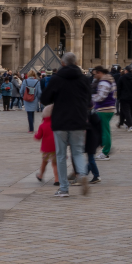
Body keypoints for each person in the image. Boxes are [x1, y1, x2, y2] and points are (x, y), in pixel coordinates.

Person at [39, 52, 91, 198]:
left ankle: (63, 188)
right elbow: (89, 101)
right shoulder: (84, 79)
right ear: (76, 62)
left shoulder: (57, 78)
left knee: (61, 155)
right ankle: (81, 174)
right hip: (79, 120)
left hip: (60, 120)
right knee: (78, 151)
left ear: (63, 63)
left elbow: (45, 98)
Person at [91, 67, 117, 157]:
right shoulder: (110, 80)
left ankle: (105, 151)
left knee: (104, 130)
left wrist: (91, 98)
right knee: (105, 129)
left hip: (104, 108)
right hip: (109, 108)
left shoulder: (104, 82)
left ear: (99, 72)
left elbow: (101, 96)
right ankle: (105, 147)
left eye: (95, 74)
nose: (94, 76)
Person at [34, 108, 59, 187]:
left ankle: (41, 175)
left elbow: (38, 137)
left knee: (44, 163)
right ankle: (57, 179)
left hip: (46, 149)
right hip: (55, 147)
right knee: (55, 164)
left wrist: (35, 135)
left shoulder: (42, 125)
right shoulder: (56, 123)